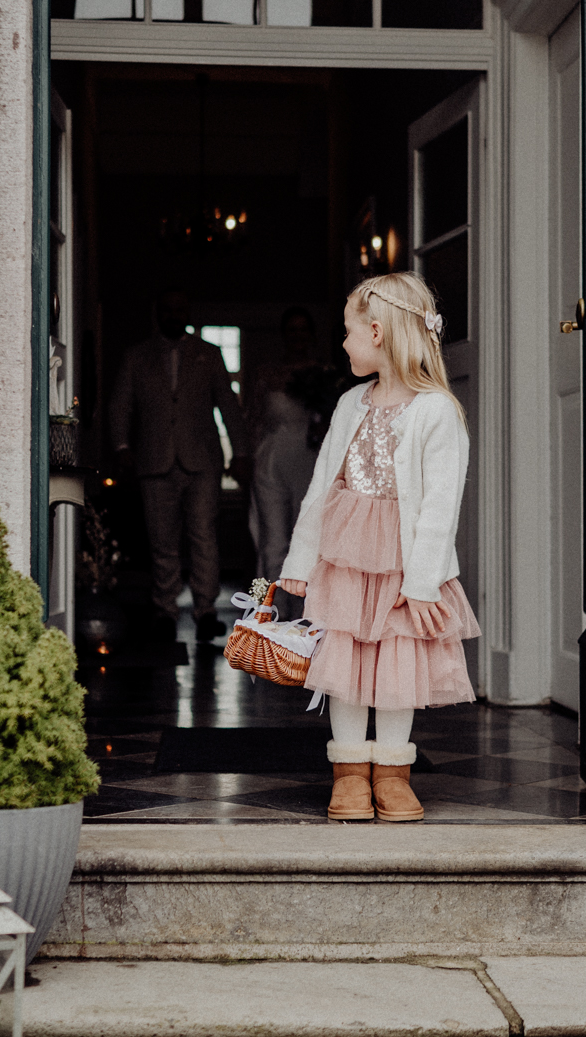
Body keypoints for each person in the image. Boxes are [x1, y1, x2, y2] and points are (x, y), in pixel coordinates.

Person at [279, 272, 480, 823]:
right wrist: (300, 562)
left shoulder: (436, 410)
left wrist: (422, 584)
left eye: (348, 332)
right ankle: (348, 774)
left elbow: (441, 507)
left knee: (396, 665)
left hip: (402, 563)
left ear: (376, 332)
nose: (342, 344)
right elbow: (323, 486)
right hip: (346, 555)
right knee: (343, 660)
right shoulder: (350, 403)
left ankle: (392, 774)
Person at [111, 289, 251, 643]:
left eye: (180, 309)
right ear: (158, 312)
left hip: (202, 459)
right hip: (154, 460)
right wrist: (122, 446)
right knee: (162, 540)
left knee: (203, 535)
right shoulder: (137, 356)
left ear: (187, 312)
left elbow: (228, 405)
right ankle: (165, 610)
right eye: (168, 308)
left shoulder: (209, 354)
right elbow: (120, 405)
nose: (174, 314)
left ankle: (206, 611)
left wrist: (241, 452)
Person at [248, 308, 322, 599]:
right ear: (283, 335)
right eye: (292, 329)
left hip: (311, 458)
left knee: (305, 535)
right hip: (271, 458)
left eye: (303, 329)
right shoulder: (266, 374)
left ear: (311, 335)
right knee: (274, 539)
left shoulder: (324, 374)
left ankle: (303, 613)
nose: (298, 336)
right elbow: (252, 419)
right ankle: (269, 611)